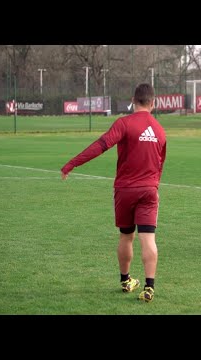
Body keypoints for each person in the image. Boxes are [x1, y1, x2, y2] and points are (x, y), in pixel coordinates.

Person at [61, 83, 166, 303]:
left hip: (125, 190)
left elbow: (100, 146)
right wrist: (153, 186)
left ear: (133, 100)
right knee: (148, 239)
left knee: (126, 236)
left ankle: (126, 280)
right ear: (153, 103)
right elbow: (160, 164)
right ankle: (149, 287)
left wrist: (72, 164)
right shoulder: (159, 130)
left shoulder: (124, 123)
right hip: (149, 190)